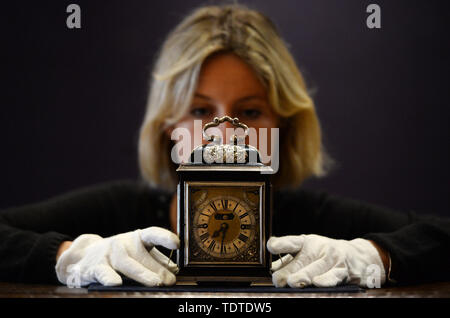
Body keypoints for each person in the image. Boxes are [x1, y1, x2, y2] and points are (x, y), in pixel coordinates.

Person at [1, 4, 449, 288]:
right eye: (199, 112)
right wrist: (69, 257)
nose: (224, 132)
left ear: (284, 127)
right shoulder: (114, 212)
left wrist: (373, 256)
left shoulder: (319, 228)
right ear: (167, 128)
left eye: (250, 113)